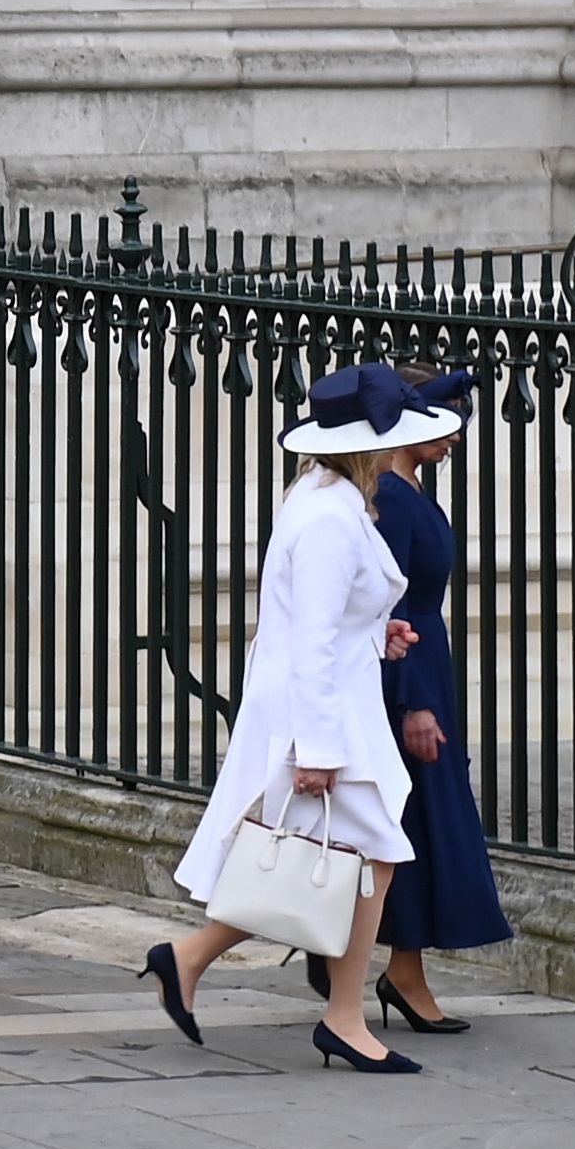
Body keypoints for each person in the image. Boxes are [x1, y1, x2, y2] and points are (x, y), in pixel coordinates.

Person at [142, 364, 436, 1073]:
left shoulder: (324, 496)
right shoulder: (329, 514)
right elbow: (308, 638)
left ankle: (191, 960)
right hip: (323, 717)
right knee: (366, 858)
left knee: (318, 859)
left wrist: (378, 636)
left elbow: (326, 622)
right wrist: (318, 749)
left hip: (333, 707)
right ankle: (340, 1016)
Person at [363, 365, 507, 1029]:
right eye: (446, 421)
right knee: (414, 822)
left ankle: (399, 965)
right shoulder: (389, 495)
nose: (457, 436)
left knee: (417, 822)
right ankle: (391, 966)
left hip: (426, 665)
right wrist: (412, 701)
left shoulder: (410, 485)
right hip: (405, 671)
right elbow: (382, 603)